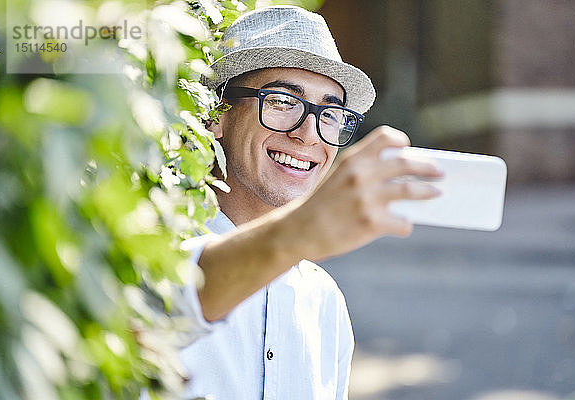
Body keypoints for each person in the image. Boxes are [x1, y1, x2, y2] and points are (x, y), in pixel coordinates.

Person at [150, 5, 442, 400]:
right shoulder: (154, 253)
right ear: (215, 114)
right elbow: (181, 294)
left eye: (331, 113)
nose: (309, 134)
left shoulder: (325, 302)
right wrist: (302, 228)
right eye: (283, 101)